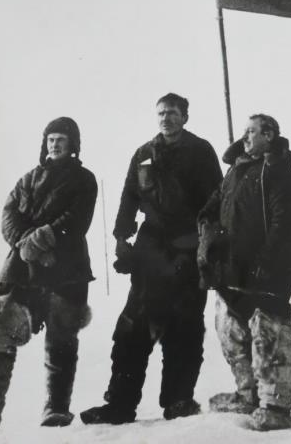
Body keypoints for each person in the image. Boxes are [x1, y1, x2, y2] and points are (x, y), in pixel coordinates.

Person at [81, 93, 222, 425]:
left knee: (184, 328)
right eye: (161, 113)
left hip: (187, 250)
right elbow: (129, 196)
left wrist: (208, 247)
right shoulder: (144, 153)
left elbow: (216, 199)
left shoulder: (200, 151)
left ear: (184, 117)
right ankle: (120, 403)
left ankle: (178, 401)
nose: (166, 118)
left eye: (172, 113)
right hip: (151, 252)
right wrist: (121, 237)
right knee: (132, 328)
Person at [0, 117, 98, 431]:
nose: (55, 145)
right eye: (51, 139)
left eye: (61, 139)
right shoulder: (28, 179)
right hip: (21, 269)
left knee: (61, 339)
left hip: (66, 268)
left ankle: (56, 408)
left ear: (73, 144)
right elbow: (8, 215)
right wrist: (27, 244)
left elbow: (77, 219)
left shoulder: (84, 179)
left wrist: (40, 240)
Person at [197, 114, 291, 431]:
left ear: (269, 135)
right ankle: (249, 394)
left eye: (252, 132)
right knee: (231, 332)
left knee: (269, 334)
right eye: (244, 131)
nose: (245, 137)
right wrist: (207, 227)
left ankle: (275, 406)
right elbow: (214, 205)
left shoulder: (279, 172)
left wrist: (267, 260)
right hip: (233, 271)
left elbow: (286, 223)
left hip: (268, 271)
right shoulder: (234, 171)